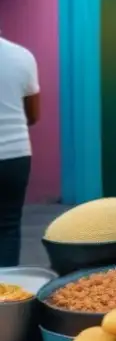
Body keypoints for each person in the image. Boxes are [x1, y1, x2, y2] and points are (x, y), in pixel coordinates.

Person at [0, 32, 40, 267]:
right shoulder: (22, 56)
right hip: (15, 155)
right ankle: (5, 299)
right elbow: (33, 115)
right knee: (7, 227)